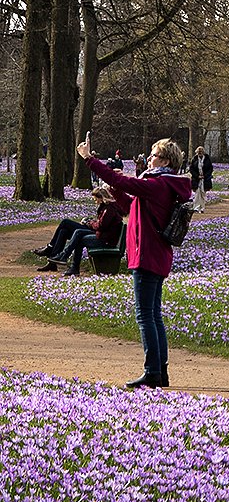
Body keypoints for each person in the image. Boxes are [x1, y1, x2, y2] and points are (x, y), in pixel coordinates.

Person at [81, 138, 193, 389]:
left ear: (164, 161)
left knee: (145, 316)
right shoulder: (162, 184)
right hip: (154, 254)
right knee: (154, 315)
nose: (149, 158)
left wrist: (90, 160)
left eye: (153, 155)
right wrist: (117, 191)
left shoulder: (158, 183)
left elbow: (123, 181)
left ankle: (152, 371)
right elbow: (131, 206)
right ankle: (160, 372)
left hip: (147, 255)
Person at [39, 186, 125, 276]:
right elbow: (102, 224)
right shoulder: (106, 208)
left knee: (77, 233)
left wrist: (89, 223)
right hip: (103, 235)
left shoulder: (108, 209)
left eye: (96, 199)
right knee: (65, 231)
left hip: (105, 239)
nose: (95, 202)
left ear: (101, 198)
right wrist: (90, 222)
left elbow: (101, 225)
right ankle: (64, 260)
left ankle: (64, 257)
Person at [188, 145, 214, 210]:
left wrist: (204, 176)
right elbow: (191, 169)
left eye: (201, 152)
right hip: (196, 179)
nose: (200, 153)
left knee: (203, 193)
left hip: (205, 179)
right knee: (197, 194)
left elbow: (210, 169)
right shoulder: (194, 159)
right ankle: (196, 207)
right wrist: (197, 176)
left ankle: (202, 207)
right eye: (199, 152)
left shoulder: (207, 159)